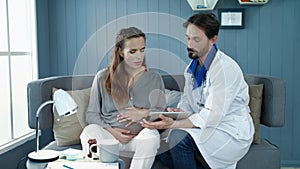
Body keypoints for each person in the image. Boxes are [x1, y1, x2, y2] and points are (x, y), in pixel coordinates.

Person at [141, 13, 254, 169]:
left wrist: (174, 124)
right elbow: (189, 102)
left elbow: (213, 116)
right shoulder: (191, 70)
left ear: (213, 39)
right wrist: (179, 111)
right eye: (188, 38)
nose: (190, 44)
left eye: (196, 39)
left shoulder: (225, 69)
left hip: (229, 132)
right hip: (206, 127)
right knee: (161, 150)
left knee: (178, 137)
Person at [80, 27, 166, 169]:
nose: (139, 56)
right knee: (89, 132)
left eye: (142, 50)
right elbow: (92, 114)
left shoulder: (154, 78)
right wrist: (111, 131)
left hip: (138, 138)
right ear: (121, 52)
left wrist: (143, 113)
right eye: (132, 52)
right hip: (109, 137)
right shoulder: (102, 77)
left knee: (152, 136)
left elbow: (161, 113)